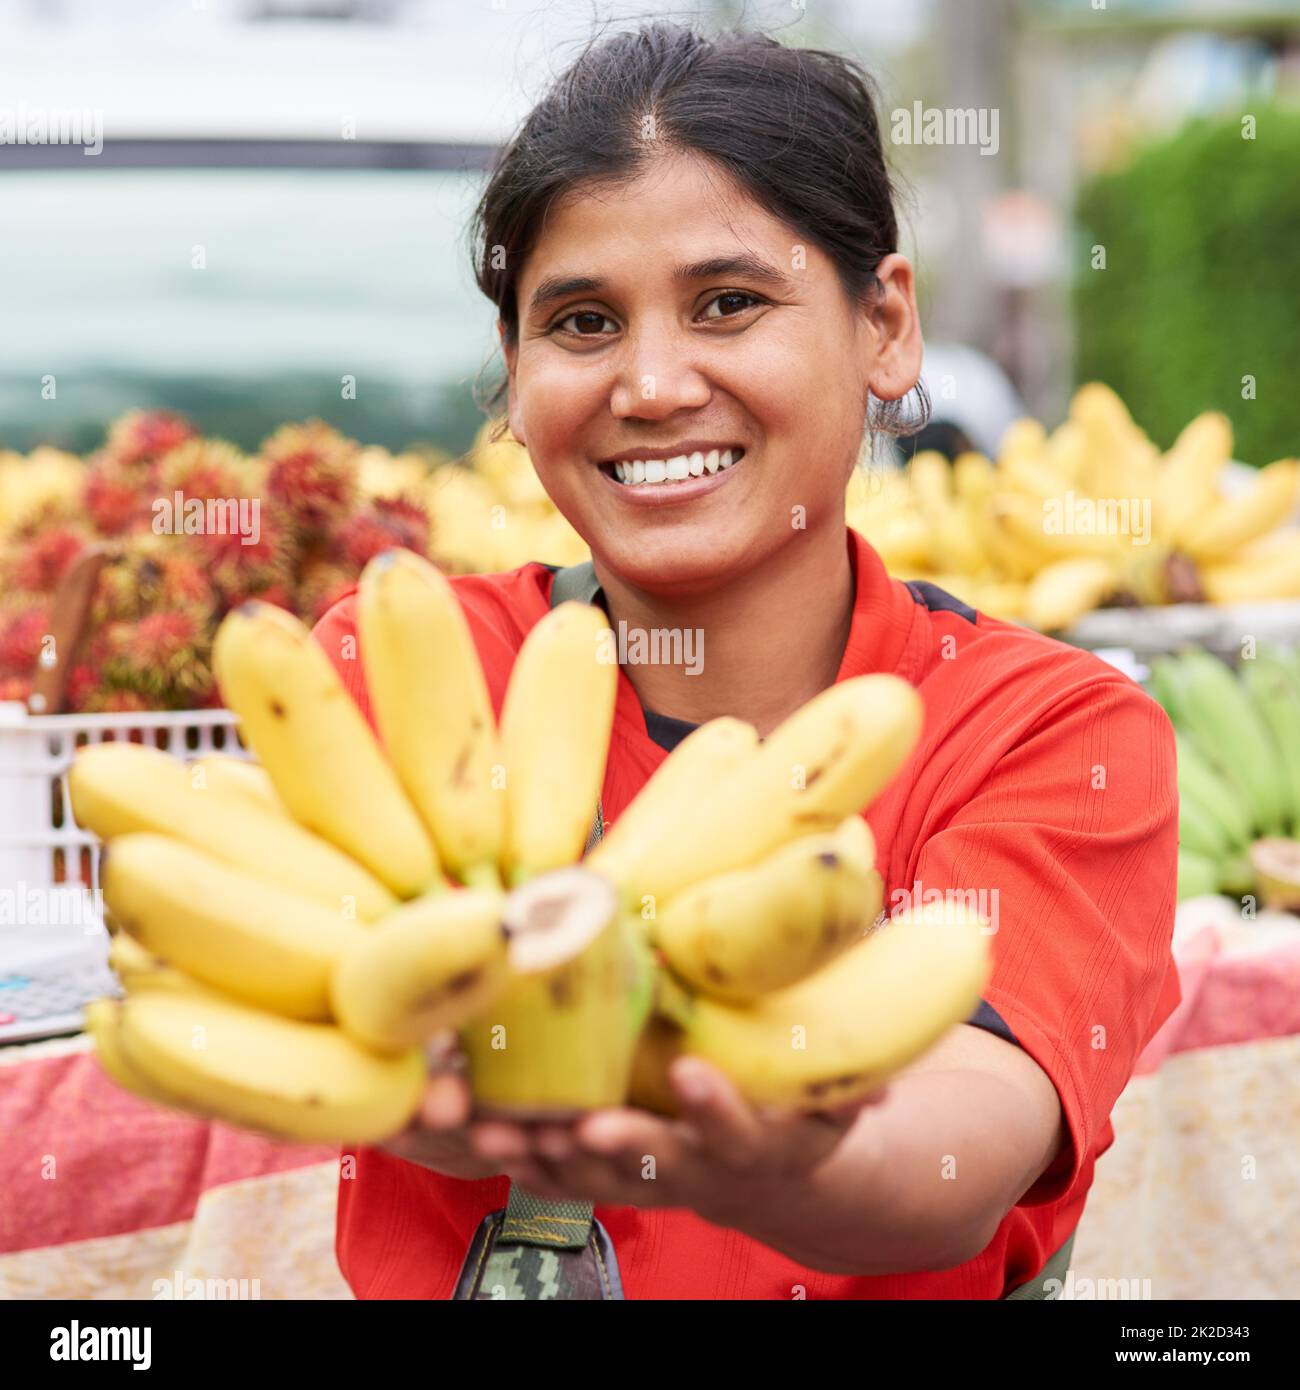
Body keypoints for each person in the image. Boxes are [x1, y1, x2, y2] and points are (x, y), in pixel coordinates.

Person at [312, 20, 1179, 1300]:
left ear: (883, 324)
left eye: (729, 302)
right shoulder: (413, 673)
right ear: (515, 368)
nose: (652, 383)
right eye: (583, 322)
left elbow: (956, 1156)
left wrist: (724, 1147)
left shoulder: (1052, 736)